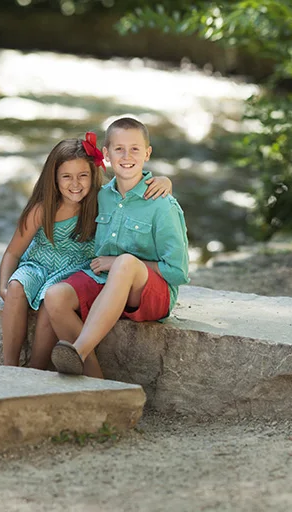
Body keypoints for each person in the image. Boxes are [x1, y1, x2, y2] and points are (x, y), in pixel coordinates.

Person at [0, 133, 173, 368]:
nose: (75, 184)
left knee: (51, 301)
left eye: (83, 176)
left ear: (93, 175)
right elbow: (12, 253)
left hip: (73, 268)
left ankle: (36, 368)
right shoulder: (42, 210)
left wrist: (165, 181)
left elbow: (131, 187)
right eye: (66, 177)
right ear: (54, 178)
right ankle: (8, 367)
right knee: (16, 287)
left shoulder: (103, 201)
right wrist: (4, 284)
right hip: (38, 264)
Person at [45, 117, 190, 377]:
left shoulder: (162, 204)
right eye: (119, 149)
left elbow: (178, 272)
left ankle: (78, 350)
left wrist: (118, 263)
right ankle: (96, 383)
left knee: (124, 262)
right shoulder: (101, 196)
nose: (126, 155)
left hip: (149, 293)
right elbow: (67, 193)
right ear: (106, 154)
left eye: (135, 149)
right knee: (55, 296)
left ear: (147, 153)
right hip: (105, 283)